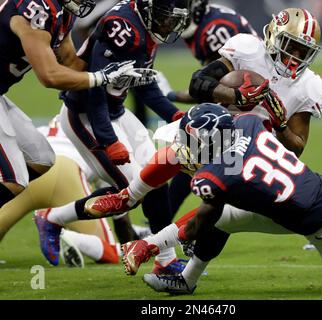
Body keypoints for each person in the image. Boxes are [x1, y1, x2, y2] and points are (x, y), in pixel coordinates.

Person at [85, 6, 322, 278]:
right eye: (290, 45)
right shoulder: (248, 49)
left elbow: (295, 149)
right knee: (186, 141)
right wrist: (235, 96)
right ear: (274, 35)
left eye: (302, 51)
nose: (294, 56)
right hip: (220, 130)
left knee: (220, 205)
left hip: (257, 154)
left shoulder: (309, 86)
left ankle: (149, 244)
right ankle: (127, 198)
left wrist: (280, 120)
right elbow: (198, 84)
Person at [107, 104, 322, 293]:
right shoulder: (247, 123)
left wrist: (149, 245)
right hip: (293, 208)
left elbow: (197, 226)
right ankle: (187, 281)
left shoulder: (220, 175)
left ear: (208, 144)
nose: (183, 149)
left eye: (190, 143)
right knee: (225, 218)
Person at [33, 0, 192, 274]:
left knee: (156, 175)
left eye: (173, 19)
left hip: (116, 111)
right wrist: (109, 140)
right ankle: (53, 217)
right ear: (148, 7)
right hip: (85, 114)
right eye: (165, 16)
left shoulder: (145, 26)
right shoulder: (124, 27)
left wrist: (175, 116)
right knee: (129, 191)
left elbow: (143, 83)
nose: (168, 24)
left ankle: (165, 261)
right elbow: (97, 86)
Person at [0, 0, 138, 209]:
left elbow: (71, 63)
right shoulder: (37, 7)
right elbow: (50, 75)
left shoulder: (62, 12)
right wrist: (100, 77)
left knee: (41, 158)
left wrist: (106, 53)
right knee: (14, 179)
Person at [157, 0, 258, 218]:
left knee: (209, 165)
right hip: (241, 102)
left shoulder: (215, 29)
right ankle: (163, 224)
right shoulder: (202, 23)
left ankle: (174, 227)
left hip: (251, 106)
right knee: (192, 159)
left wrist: (170, 95)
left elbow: (211, 88)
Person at [0, 116, 120, 267]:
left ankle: (55, 225)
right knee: (110, 251)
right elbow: (115, 198)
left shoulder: (55, 122)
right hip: (67, 173)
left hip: (33, 171)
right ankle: (65, 234)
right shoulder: (107, 130)